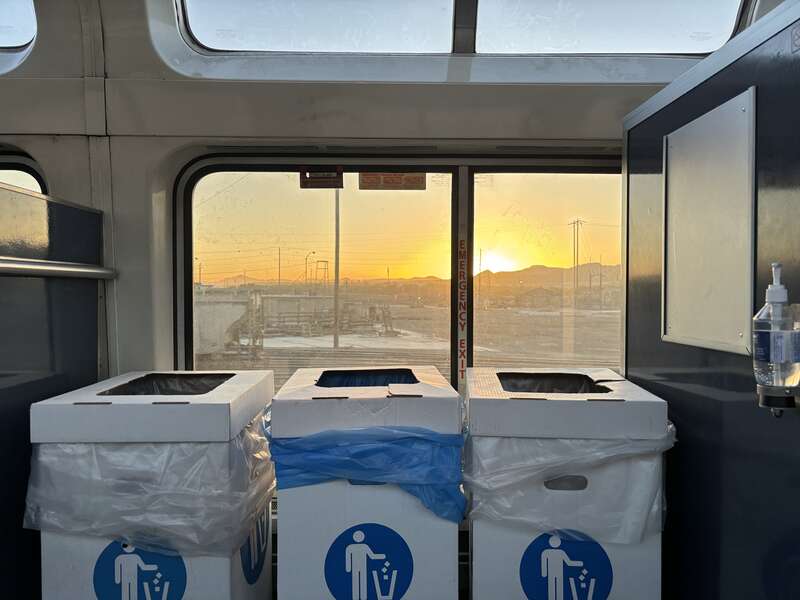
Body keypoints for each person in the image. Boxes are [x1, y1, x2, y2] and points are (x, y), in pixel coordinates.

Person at [345, 530, 386, 600]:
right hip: (356, 567)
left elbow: (372, 556)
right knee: (357, 581)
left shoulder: (364, 546)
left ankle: (362, 597)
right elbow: (348, 558)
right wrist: (348, 568)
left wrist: (382, 556)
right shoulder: (350, 547)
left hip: (363, 567)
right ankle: (357, 597)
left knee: (362, 581)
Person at [541, 535, 583, 600]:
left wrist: (579, 563)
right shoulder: (546, 552)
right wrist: (544, 573)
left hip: (558, 574)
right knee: (553, 588)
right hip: (553, 574)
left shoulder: (559, 552)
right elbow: (543, 562)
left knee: (558, 588)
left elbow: (569, 562)